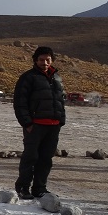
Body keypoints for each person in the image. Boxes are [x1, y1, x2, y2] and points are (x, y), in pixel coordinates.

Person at [13, 46, 66, 200]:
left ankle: (40, 188)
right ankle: (23, 187)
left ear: (52, 60)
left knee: (46, 158)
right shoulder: (28, 77)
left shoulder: (56, 78)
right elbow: (20, 102)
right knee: (31, 157)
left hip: (53, 125)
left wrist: (61, 120)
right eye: (41, 60)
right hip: (35, 125)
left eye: (47, 60)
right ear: (35, 60)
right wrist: (27, 123)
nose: (44, 63)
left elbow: (60, 100)